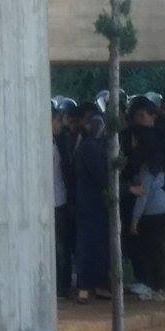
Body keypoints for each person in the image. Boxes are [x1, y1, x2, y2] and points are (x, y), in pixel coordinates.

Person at [128, 126, 165, 299]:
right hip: (162, 207)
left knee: (152, 250)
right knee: (160, 248)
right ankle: (164, 284)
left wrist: (134, 220)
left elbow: (142, 194)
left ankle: (157, 285)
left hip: (150, 212)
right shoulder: (157, 162)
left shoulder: (146, 167)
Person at [74, 114, 110, 303]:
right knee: (89, 244)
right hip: (91, 203)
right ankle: (86, 287)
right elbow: (100, 176)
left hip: (89, 202)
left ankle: (92, 286)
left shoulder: (85, 146)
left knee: (93, 244)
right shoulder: (90, 147)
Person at [52, 106, 72, 299]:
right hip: (54, 201)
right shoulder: (47, 145)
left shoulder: (57, 142)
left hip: (59, 199)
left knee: (61, 246)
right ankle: (60, 284)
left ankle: (63, 285)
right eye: (57, 121)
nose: (60, 124)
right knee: (59, 246)